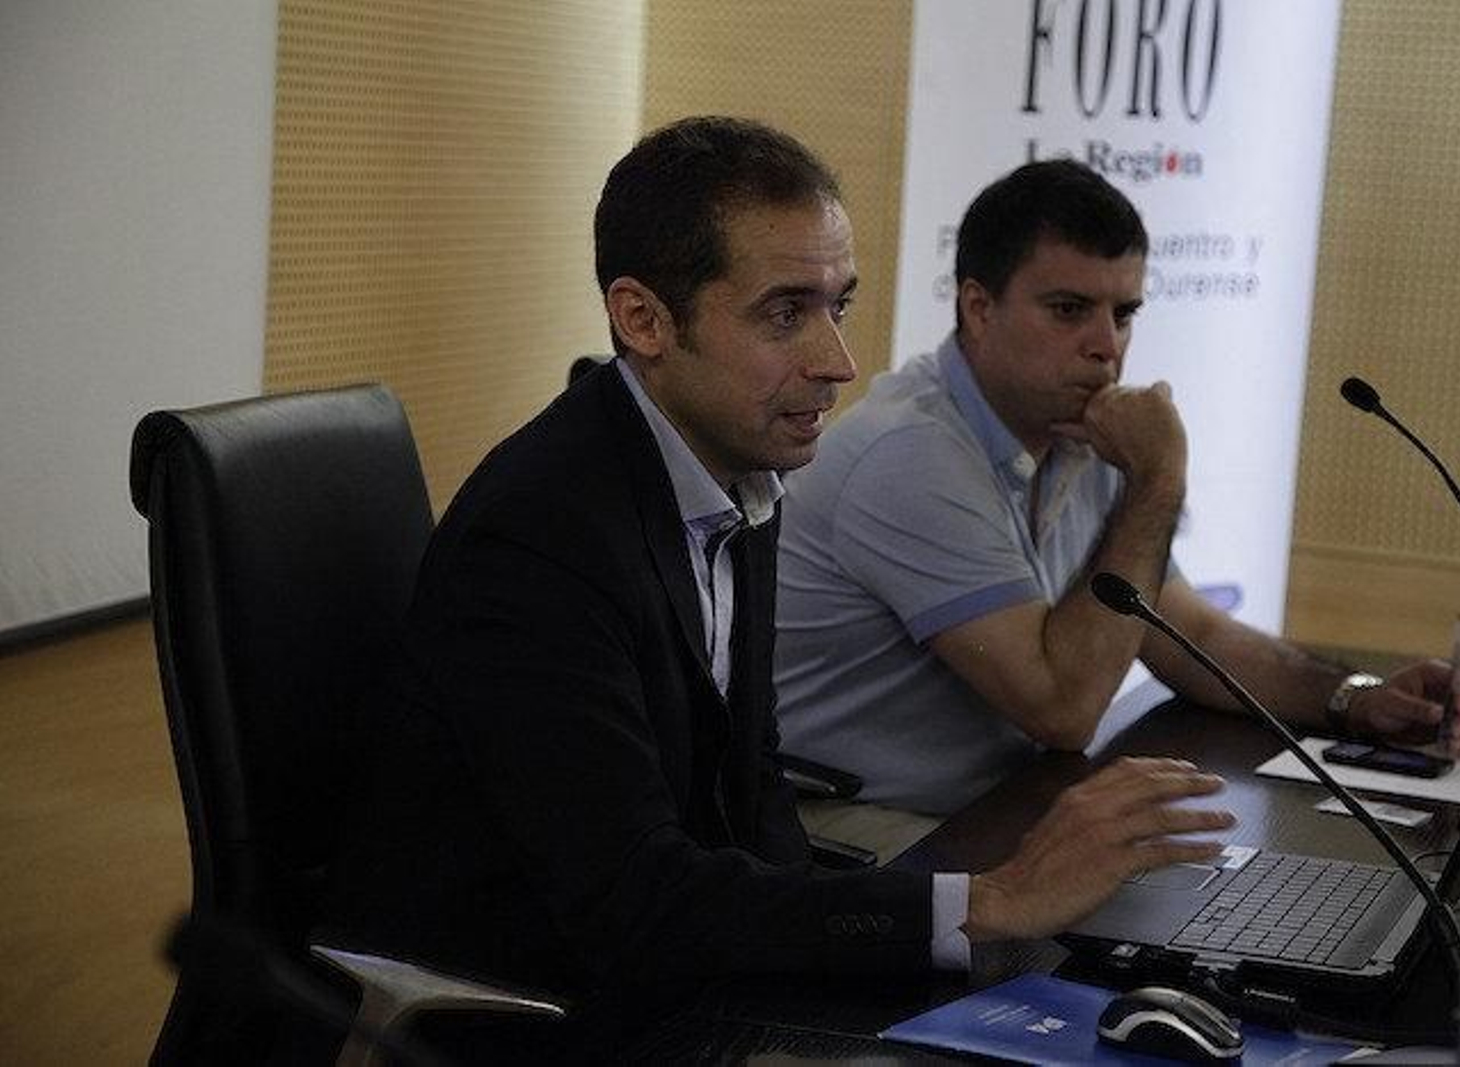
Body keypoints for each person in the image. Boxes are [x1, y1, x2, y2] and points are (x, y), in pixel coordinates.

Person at [321, 118, 1235, 1062]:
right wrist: (988, 901)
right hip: (540, 1009)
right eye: (786, 313)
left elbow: (750, 796)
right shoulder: (540, 535)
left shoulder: (736, 471)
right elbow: (631, 895)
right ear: (643, 320)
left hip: (682, 970)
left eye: (839, 305)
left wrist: (873, 975)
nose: (838, 360)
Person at [773, 158, 1460, 848]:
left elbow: (1189, 632)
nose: (1106, 346)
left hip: (996, 800)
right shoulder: (909, 455)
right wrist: (1158, 479)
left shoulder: (1083, 431)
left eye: (1124, 313)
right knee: (1144, 899)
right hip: (847, 824)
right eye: (1069, 310)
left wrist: (1357, 698)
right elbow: (1062, 708)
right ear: (979, 308)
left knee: (1201, 878)